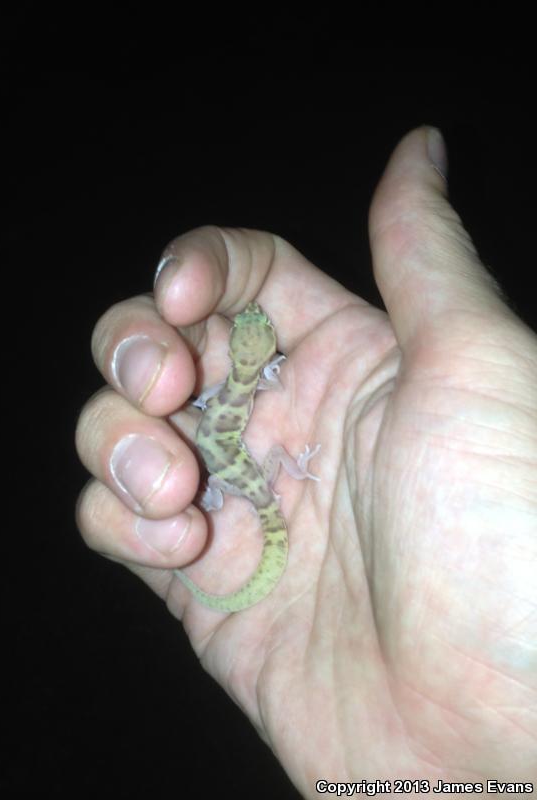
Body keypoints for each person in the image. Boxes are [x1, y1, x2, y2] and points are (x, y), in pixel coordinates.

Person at [75, 127, 537, 794]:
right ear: (260, 357)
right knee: (216, 476)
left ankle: (219, 501)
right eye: (257, 333)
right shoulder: (254, 378)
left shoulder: (238, 384)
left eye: (258, 331)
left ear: (257, 357)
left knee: (212, 478)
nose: (257, 329)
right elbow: (238, 388)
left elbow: (217, 396)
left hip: (229, 469)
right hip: (239, 468)